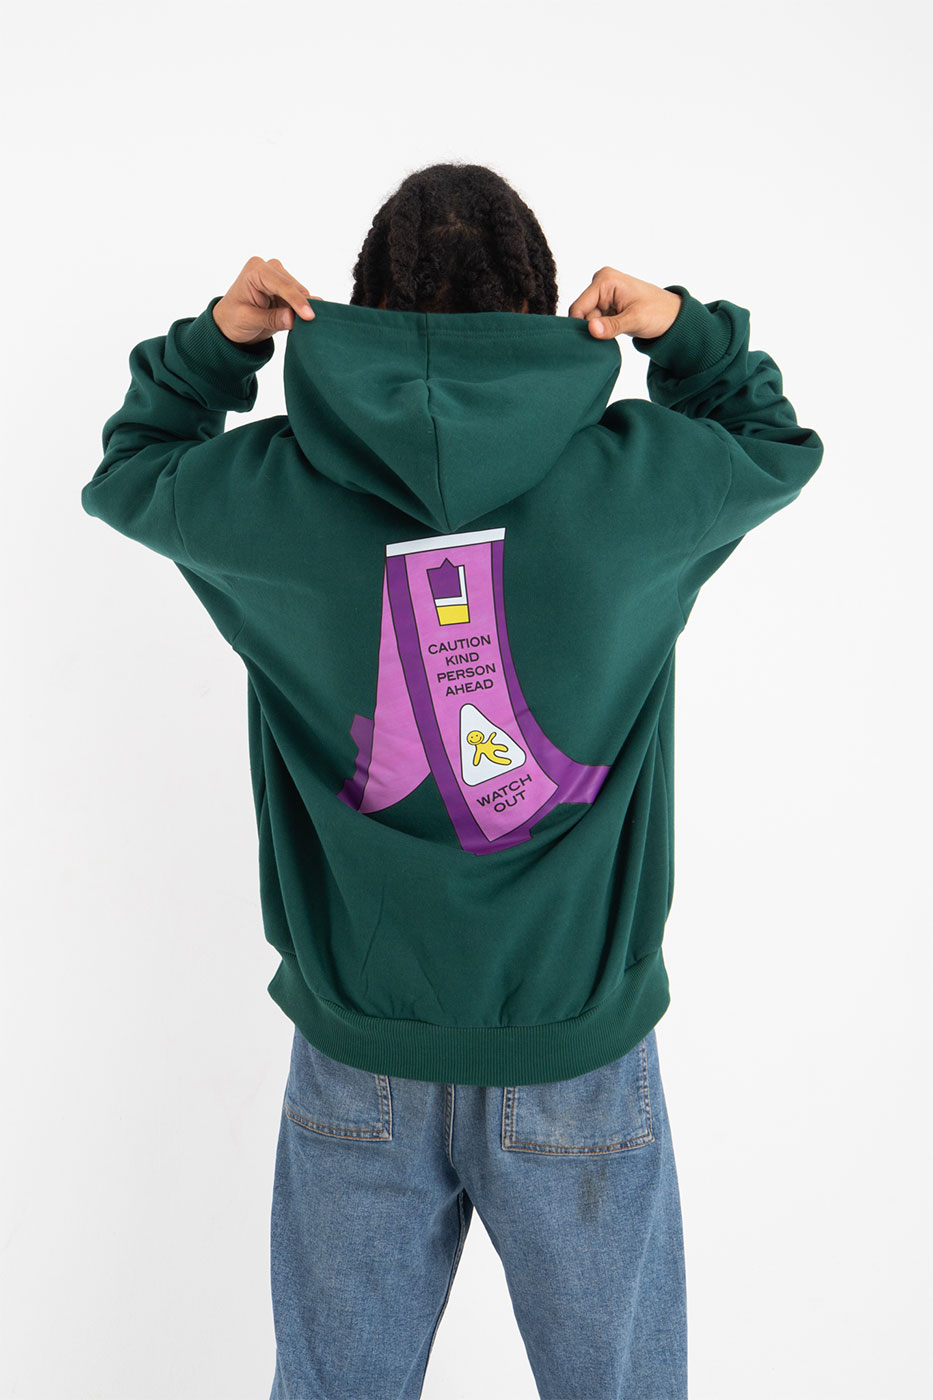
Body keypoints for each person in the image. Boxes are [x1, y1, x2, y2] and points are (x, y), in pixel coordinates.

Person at [80, 160, 824, 1400]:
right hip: (577, 1050)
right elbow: (774, 441)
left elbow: (132, 467)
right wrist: (681, 332)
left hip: (358, 1047)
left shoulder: (271, 492)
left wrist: (218, 344)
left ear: (365, 303)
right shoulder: (639, 486)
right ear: (542, 305)